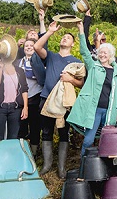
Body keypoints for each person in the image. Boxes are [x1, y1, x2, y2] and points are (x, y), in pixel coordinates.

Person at [33, 15, 85, 178]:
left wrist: (71, 80)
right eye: (63, 37)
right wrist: (50, 32)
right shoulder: (51, 56)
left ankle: (61, 169)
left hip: (65, 102)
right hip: (46, 99)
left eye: (68, 37)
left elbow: (81, 83)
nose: (64, 38)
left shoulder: (76, 62)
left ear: (73, 44)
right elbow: (37, 47)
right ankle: (47, 166)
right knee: (46, 132)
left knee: (64, 133)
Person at [68, 21, 117, 157]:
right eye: (100, 52)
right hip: (95, 110)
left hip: (109, 111)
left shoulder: (116, 73)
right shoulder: (93, 66)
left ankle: (102, 167)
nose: (102, 55)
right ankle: (84, 166)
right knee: (88, 140)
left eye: (105, 53)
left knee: (107, 142)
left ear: (111, 55)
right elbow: (84, 52)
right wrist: (81, 31)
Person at [0, 42, 28, 141]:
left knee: (13, 137)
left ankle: (11, 151)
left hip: (15, 107)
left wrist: (25, 107)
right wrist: (0, 69)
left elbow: (24, 89)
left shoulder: (19, 70)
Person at [16, 37, 46, 157]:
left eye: (31, 45)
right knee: (21, 127)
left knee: (35, 127)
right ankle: (21, 153)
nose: (28, 47)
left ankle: (33, 154)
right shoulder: (18, 62)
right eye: (26, 46)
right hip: (20, 99)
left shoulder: (40, 62)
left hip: (36, 96)